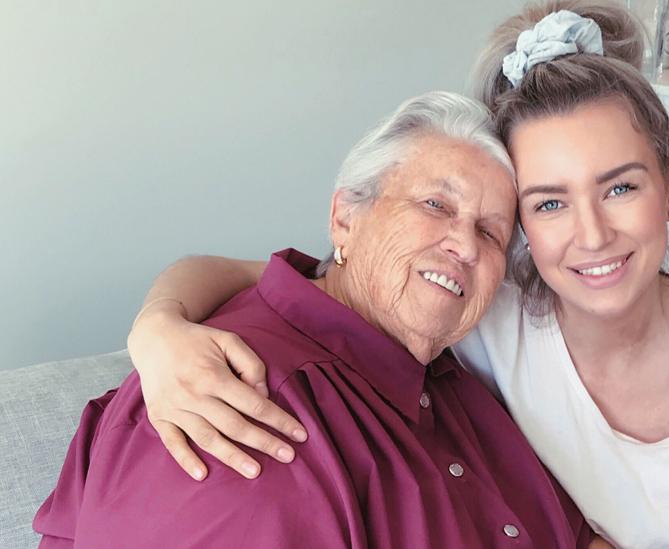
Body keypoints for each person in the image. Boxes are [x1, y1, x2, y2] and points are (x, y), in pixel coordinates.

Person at [114, 2, 669, 548]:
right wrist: (158, 328)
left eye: (620, 186)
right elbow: (291, 285)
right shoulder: (483, 313)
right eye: (547, 203)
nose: (593, 234)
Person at [33, 91, 595, 548]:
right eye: (435, 205)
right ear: (344, 217)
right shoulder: (240, 404)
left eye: (491, 232)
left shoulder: (451, 369)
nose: (466, 247)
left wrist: (158, 314)